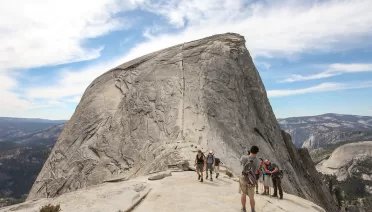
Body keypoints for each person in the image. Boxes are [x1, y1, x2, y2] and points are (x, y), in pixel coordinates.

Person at [239, 146, 260, 212]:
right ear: (257, 152)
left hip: (243, 178)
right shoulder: (258, 161)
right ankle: (253, 210)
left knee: (243, 194)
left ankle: (244, 208)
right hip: (251, 180)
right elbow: (256, 170)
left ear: (250, 150)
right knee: (251, 197)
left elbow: (241, 163)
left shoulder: (244, 157)